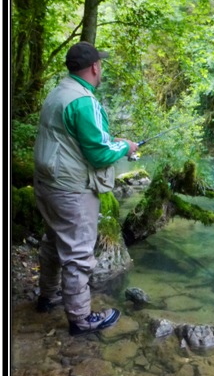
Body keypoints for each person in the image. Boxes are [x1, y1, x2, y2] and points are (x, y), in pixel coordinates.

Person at [33, 41, 139, 336]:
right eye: (100, 64)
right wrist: (125, 146)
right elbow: (99, 154)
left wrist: (112, 143)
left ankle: (48, 296)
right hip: (71, 190)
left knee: (53, 242)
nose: (100, 68)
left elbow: (79, 140)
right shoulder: (83, 101)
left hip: (47, 184)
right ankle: (80, 319)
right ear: (94, 67)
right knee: (78, 254)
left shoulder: (58, 93)